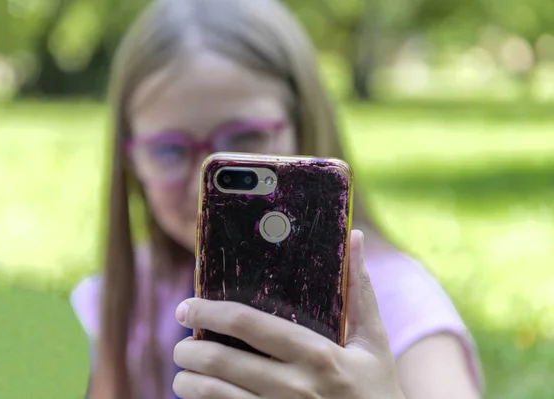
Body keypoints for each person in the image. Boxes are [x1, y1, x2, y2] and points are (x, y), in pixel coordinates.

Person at [70, 0, 483, 398]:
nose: (202, 190)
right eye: (168, 149)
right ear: (130, 161)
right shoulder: (121, 302)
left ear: (303, 125)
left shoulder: (396, 304)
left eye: (247, 139)